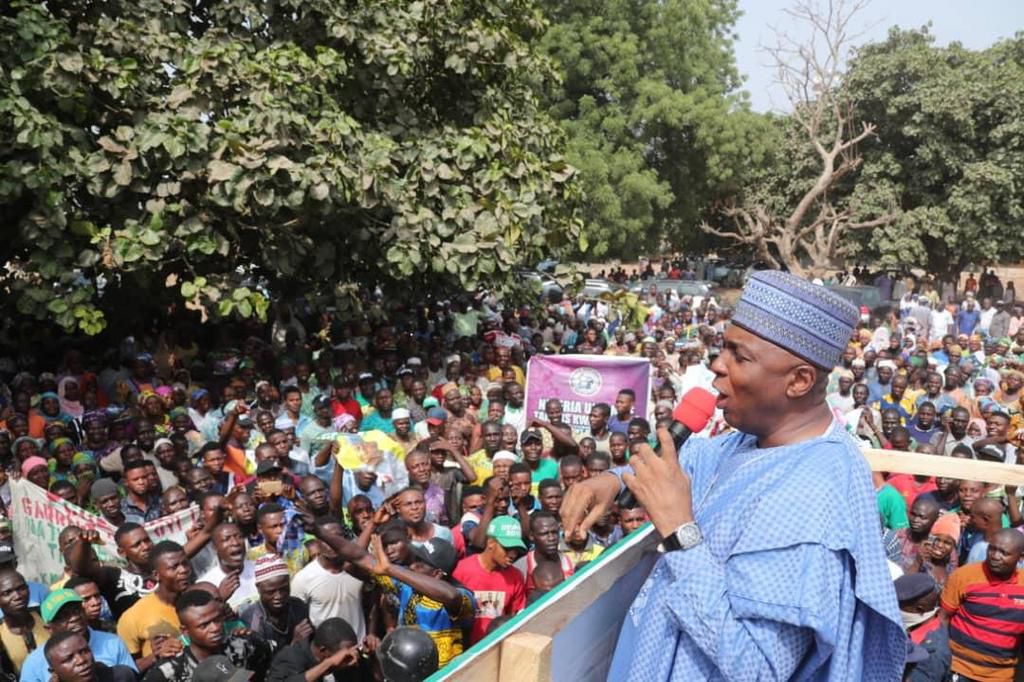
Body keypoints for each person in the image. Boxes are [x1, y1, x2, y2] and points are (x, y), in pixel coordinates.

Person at [561, 271, 905, 679]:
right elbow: (691, 463)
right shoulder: (754, 439)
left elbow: (754, 668)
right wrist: (616, 480)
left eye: (739, 357)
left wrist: (680, 534)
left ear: (799, 380)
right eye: (723, 348)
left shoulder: (812, 498)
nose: (716, 366)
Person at [941, 529, 1024, 681]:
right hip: (959, 669)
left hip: (1001, 675)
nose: (995, 556)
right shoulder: (964, 576)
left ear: (1020, 557)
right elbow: (943, 618)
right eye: (992, 548)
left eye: (1004, 553)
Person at [142, 589, 274, 682]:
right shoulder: (170, 670)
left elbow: (276, 665)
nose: (215, 628)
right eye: (204, 625)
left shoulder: (243, 645)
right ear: (185, 631)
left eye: (217, 619)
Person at [20, 589, 136, 682]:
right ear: (49, 628)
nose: (74, 618)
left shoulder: (112, 642)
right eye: (63, 616)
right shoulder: (34, 662)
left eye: (77, 610)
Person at [116, 541, 191, 672]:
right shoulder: (132, 617)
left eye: (185, 564)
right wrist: (155, 656)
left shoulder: (201, 600)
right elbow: (128, 671)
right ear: (156, 575)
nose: (183, 570)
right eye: (174, 567)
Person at [452, 516, 526, 644]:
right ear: (491, 542)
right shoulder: (461, 570)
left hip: (499, 646)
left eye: (516, 550)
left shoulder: (516, 577)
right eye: (507, 549)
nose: (513, 555)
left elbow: (515, 617)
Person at [290, 519, 366, 639]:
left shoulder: (358, 571)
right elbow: (298, 620)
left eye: (337, 537)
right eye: (326, 539)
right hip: (327, 649)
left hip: (360, 645)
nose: (331, 544)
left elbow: (373, 602)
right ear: (317, 542)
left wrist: (372, 633)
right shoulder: (303, 578)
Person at [238, 554, 312, 649]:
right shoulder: (253, 619)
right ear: (259, 588)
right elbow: (261, 657)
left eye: (284, 589)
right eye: (271, 592)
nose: (278, 596)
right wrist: (295, 643)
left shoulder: (298, 606)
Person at [266, 617, 372, 682]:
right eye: (344, 655)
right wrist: (329, 663)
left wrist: (371, 654)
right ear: (323, 651)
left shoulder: (347, 663)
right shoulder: (290, 658)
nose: (351, 658)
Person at [197, 522, 258, 611]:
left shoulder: (260, 568)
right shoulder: (206, 585)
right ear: (215, 547)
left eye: (239, 537)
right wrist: (220, 598)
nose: (235, 543)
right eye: (227, 539)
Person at [0, 566, 49, 675]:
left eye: (21, 588)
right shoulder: (1, 633)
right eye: (7, 593)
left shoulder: (46, 616)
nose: (17, 596)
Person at [42, 631, 138, 682]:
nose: (81, 660)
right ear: (53, 671)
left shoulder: (121, 676)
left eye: (84, 651)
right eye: (69, 659)